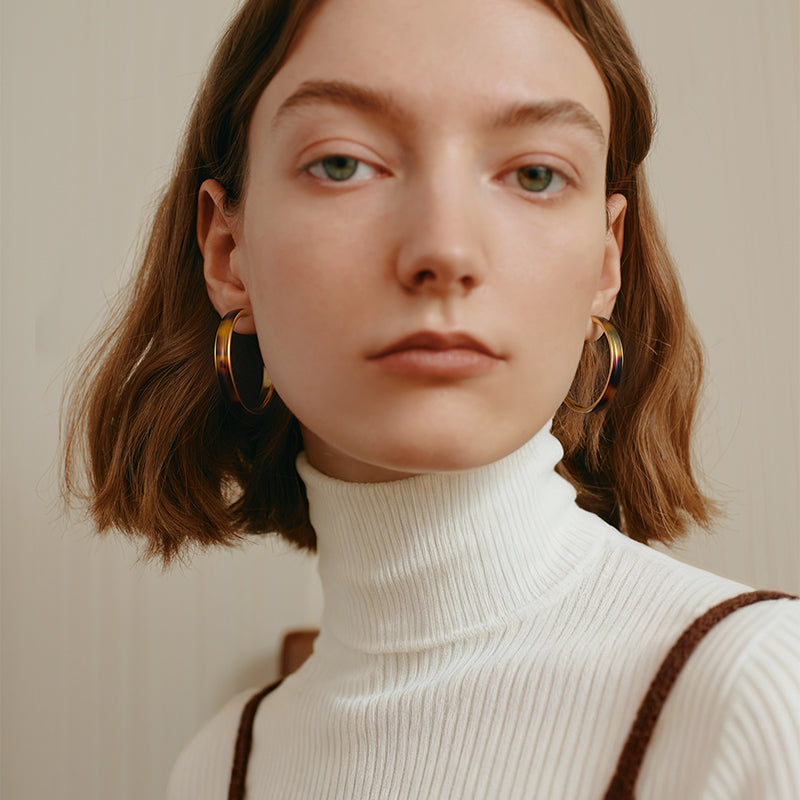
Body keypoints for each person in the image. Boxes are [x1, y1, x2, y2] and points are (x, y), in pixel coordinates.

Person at [61, 0, 800, 797]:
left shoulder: (761, 693)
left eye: (536, 174)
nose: (445, 250)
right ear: (227, 250)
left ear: (605, 262)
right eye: (342, 163)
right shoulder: (217, 770)